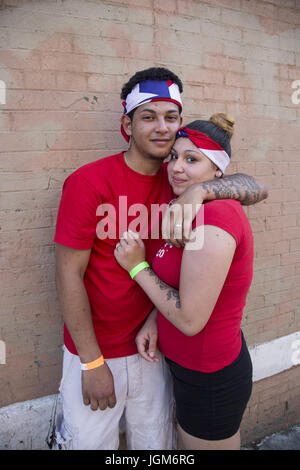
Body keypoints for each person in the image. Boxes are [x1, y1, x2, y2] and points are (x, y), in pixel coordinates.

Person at [53, 67, 267, 450]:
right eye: (148, 116)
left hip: (153, 353)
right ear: (127, 123)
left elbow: (256, 186)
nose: (162, 127)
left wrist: (201, 193)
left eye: (171, 117)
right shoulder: (88, 181)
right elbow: (68, 274)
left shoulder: (180, 181)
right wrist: (91, 361)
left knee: (156, 448)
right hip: (99, 353)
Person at [114, 113, 254, 451]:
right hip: (189, 368)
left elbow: (190, 319)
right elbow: (185, 284)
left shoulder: (216, 216)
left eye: (192, 159)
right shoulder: (188, 209)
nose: (176, 167)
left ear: (218, 172)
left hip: (209, 377)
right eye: (174, 156)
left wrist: (136, 267)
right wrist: (155, 319)